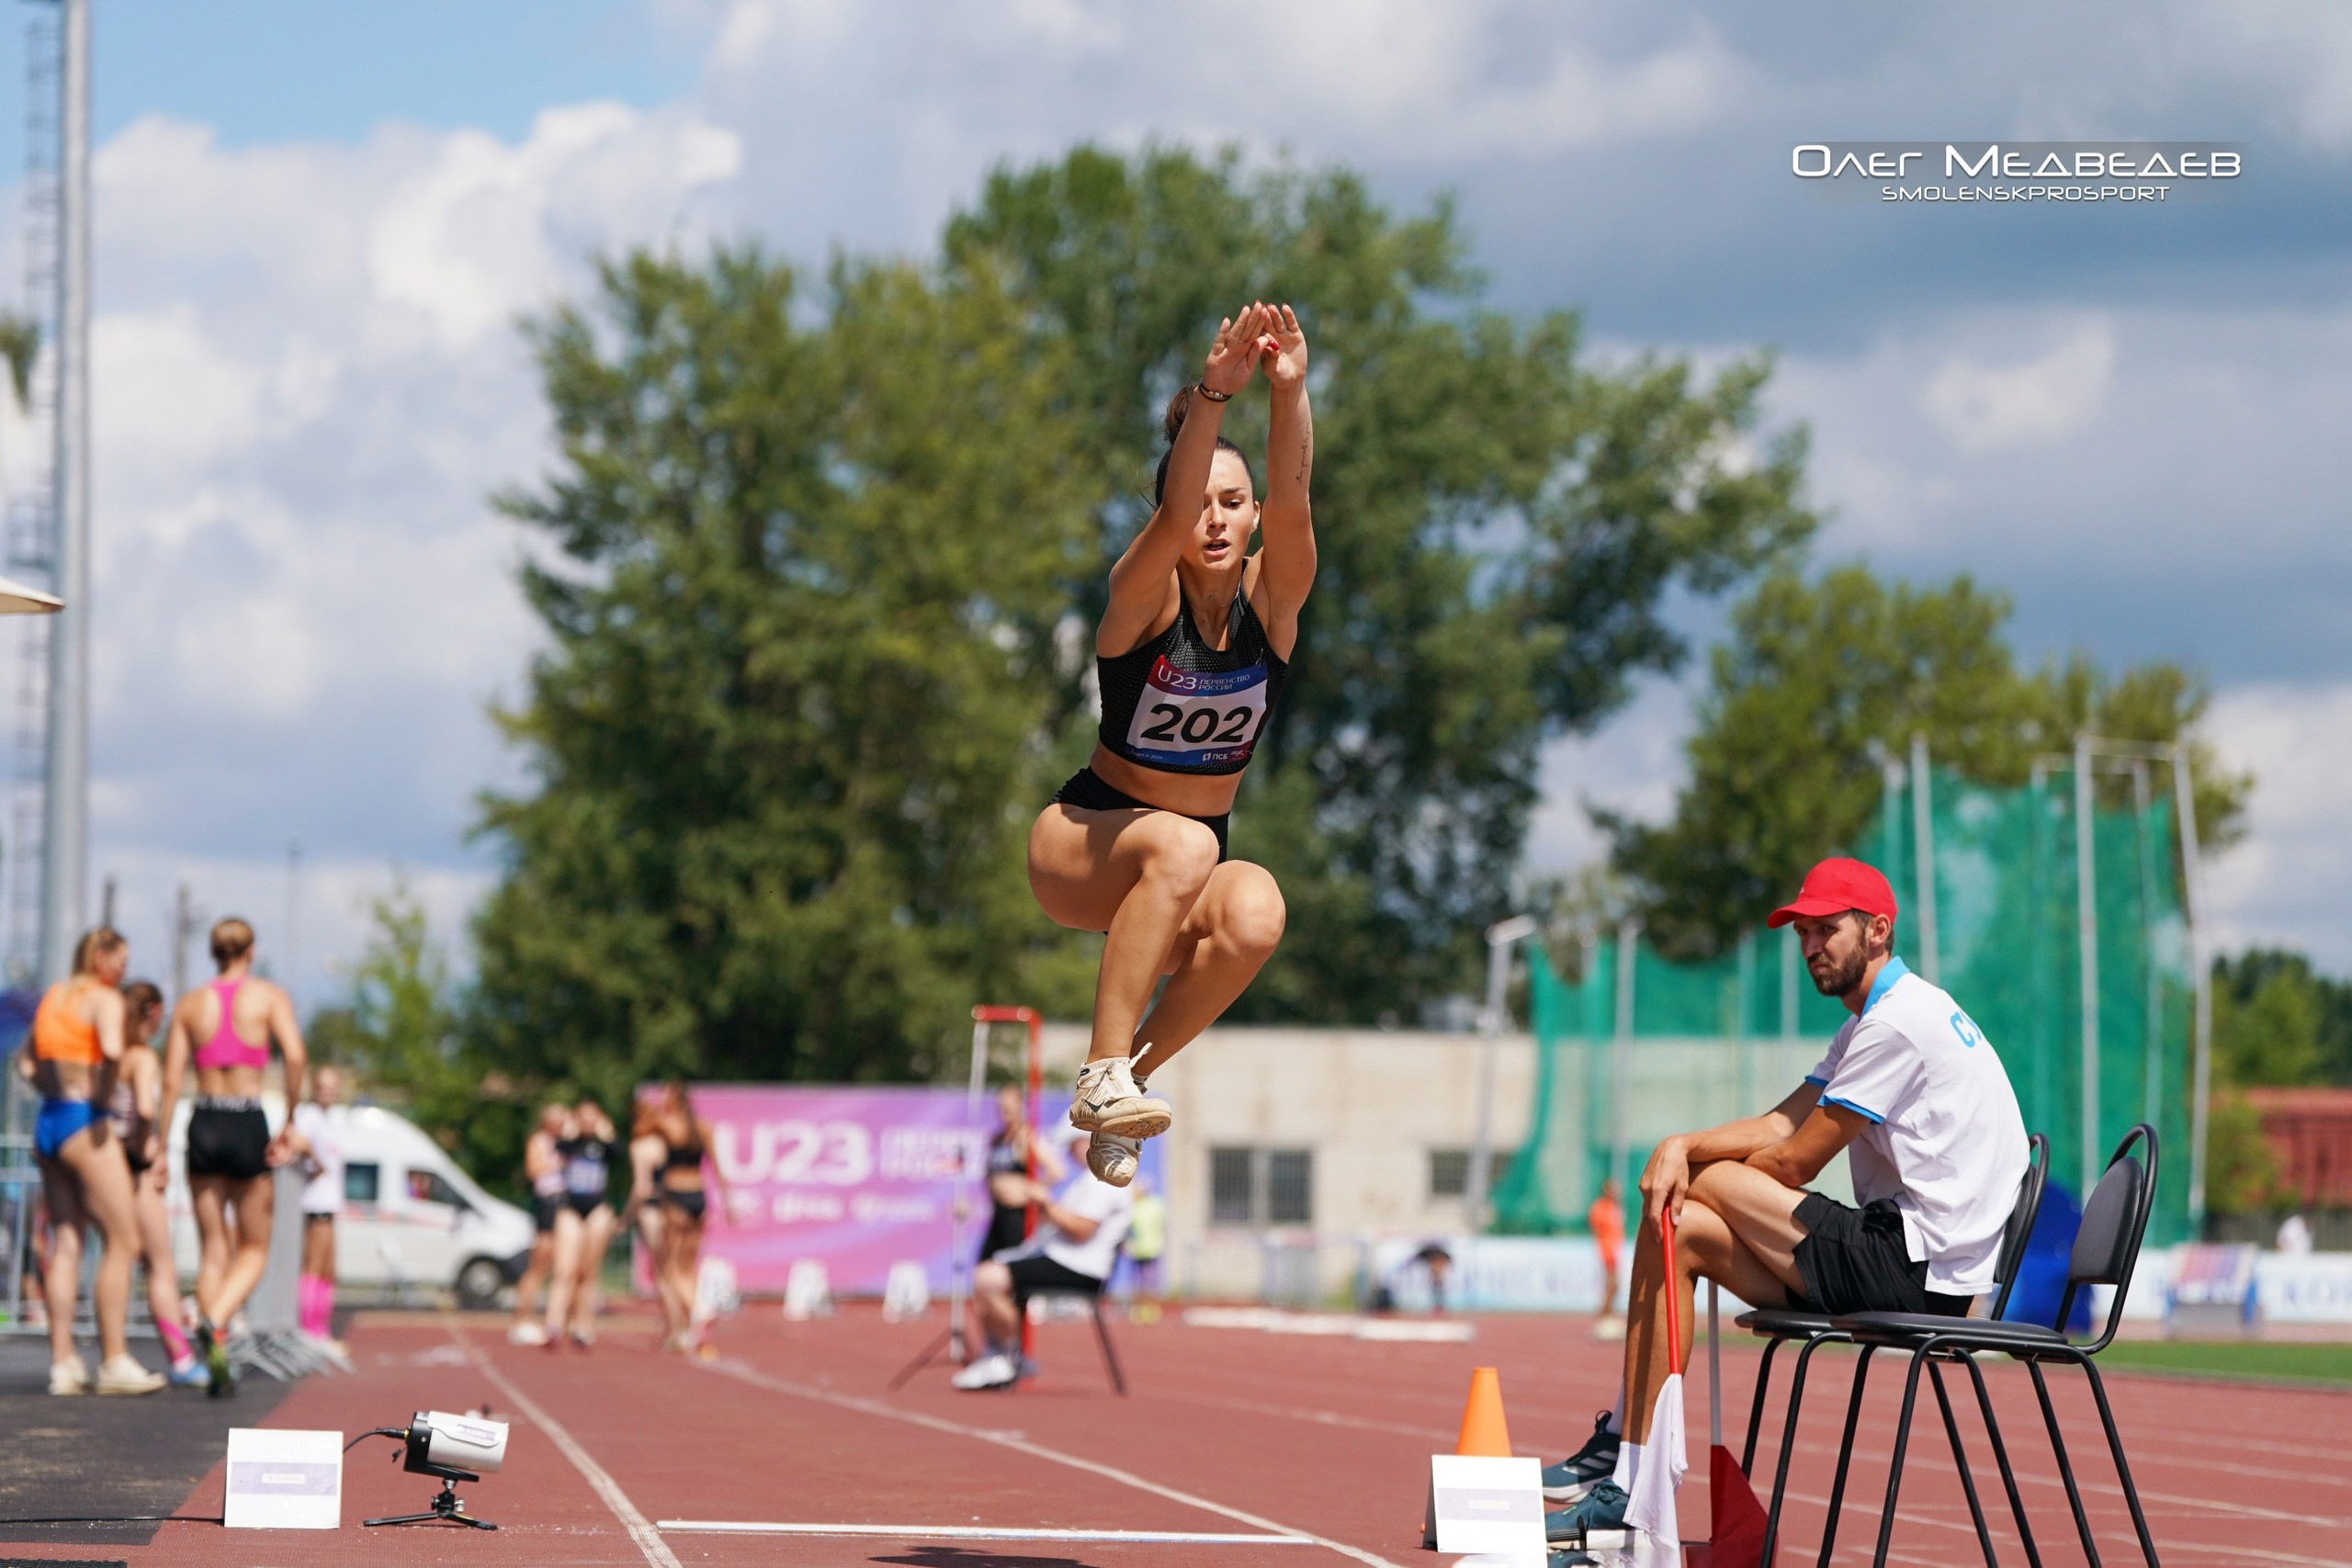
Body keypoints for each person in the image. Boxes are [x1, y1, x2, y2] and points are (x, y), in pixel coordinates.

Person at [1544, 859, 2030, 1544]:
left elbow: (1797, 1159)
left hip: (1916, 1271)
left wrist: (1685, 1157)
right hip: (1902, 1257)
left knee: (1700, 1185)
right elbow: (1778, 1123)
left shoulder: (1898, 1022)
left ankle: (1625, 1448)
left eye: (1827, 929)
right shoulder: (1872, 1019)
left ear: (1879, 929)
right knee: (1680, 1227)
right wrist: (1682, 1140)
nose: (1810, 946)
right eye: (1803, 931)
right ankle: (1630, 1468)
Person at [1027, 301, 1316, 1187]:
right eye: (1201, 507)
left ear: (1254, 515)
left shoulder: (1273, 608)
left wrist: (1290, 394)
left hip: (1183, 871)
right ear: (1173, 517)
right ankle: (1102, 1069)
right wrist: (1214, 398)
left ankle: (1131, 1085)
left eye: (1236, 505)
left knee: (1257, 906)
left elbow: (1297, 496)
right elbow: (1178, 506)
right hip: (1085, 839)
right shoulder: (1144, 596)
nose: (1217, 520)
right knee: (1187, 842)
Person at [159, 917, 309, 1397]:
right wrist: (290, 1120)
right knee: (254, 1248)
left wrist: (160, 1146)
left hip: (203, 1118)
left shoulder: (190, 1004)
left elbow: (169, 1080)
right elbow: (297, 1055)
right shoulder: (267, 997)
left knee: (213, 1251)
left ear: (211, 952)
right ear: (251, 949)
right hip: (246, 1119)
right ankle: (217, 1318)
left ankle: (215, 1343)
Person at [19, 929, 164, 1395]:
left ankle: (64, 1364)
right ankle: (115, 1360)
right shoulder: (103, 998)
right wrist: (100, 1103)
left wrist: (53, 1092)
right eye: (121, 961)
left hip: (50, 1121)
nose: (124, 971)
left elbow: (24, 1063)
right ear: (100, 958)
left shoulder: (54, 996)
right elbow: (115, 1052)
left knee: (66, 1240)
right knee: (124, 1239)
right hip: (86, 1121)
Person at [954, 1128, 1136, 1391]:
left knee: (989, 1279)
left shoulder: (1105, 1181)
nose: (1068, 1152)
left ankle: (1007, 1357)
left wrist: (1045, 1202)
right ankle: (1000, 1354)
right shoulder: (1090, 1179)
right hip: (1060, 1257)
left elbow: (1081, 1230)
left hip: (1079, 1268)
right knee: (989, 1272)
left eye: (1071, 1145)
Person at [111, 980, 205, 1386]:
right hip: (135, 1167)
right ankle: (181, 1358)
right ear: (151, 1012)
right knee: (160, 1266)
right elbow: (146, 1108)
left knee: (116, 1259)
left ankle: (113, 1354)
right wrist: (148, 1146)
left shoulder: (109, 1057)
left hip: (108, 1164)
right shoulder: (142, 1057)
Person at [624, 1083, 733, 1356]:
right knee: (688, 1265)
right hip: (700, 1196)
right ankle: (694, 1317)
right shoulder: (704, 1127)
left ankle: (699, 1309)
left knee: (670, 1268)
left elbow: (641, 1127)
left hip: (676, 1198)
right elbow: (718, 1168)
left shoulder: (667, 1125)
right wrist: (729, 1203)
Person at [543, 1096, 618, 1348]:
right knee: (565, 1269)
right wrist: (569, 1133)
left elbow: (619, 1153)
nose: (587, 1122)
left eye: (591, 1117)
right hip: (570, 1207)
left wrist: (607, 1135)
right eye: (582, 1117)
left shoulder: (603, 1146)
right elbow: (557, 1151)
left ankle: (582, 1324)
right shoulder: (569, 1144)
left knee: (588, 1270)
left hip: (597, 1208)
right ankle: (554, 1321)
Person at [979, 1085, 1067, 1269]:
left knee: (1011, 1267)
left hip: (1018, 1216)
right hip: (999, 1212)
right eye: (1001, 1106)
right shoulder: (997, 1139)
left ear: (1020, 1107)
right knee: (985, 1265)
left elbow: (1057, 1171)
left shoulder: (1027, 1138)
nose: (1005, 1111)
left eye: (1009, 1106)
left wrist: (1029, 1188)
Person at [508, 1102, 570, 1346]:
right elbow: (534, 1170)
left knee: (562, 1266)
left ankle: (556, 1320)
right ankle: (521, 1317)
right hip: (548, 1204)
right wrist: (557, 1163)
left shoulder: (567, 1142)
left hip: (565, 1205)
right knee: (539, 1264)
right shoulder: (539, 1141)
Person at [1125, 1173, 1166, 1324]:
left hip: (1151, 1249)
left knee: (1148, 1283)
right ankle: (1139, 1309)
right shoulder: (1136, 1206)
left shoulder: (1154, 1205)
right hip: (1138, 1250)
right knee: (1138, 1282)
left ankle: (1149, 1310)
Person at [1588, 1178, 1626, 1340]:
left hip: (1615, 1250)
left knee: (1614, 1285)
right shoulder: (1600, 1207)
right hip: (1607, 1250)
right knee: (1612, 1284)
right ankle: (1603, 1316)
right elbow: (1598, 1227)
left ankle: (1608, 1314)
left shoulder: (1615, 1208)